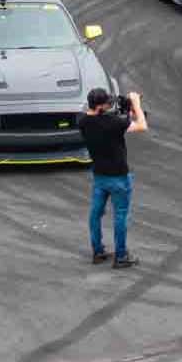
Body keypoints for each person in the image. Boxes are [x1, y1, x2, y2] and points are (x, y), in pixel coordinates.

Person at [78, 88, 147, 268]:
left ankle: (98, 251)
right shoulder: (112, 122)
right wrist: (136, 104)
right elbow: (142, 125)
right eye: (107, 103)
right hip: (118, 178)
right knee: (121, 216)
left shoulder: (83, 120)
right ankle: (121, 255)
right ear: (101, 106)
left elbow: (113, 121)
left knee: (95, 213)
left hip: (99, 176)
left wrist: (126, 113)